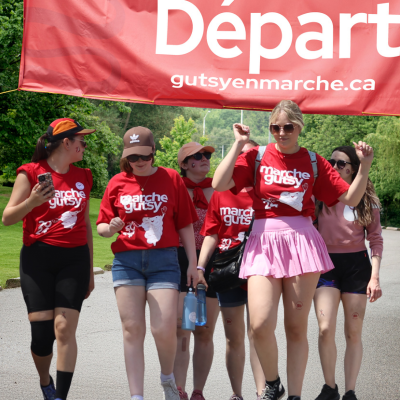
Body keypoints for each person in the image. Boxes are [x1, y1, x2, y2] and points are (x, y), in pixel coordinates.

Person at [212, 100, 374, 400]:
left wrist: (364, 166)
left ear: (299, 126)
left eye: (288, 126)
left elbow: (350, 199)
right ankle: (273, 382)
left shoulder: (313, 161)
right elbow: (219, 183)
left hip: (301, 241)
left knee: (295, 327)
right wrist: (238, 145)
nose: (281, 132)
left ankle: (296, 395)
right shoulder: (258, 156)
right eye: (275, 127)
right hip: (263, 240)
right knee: (259, 324)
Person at [96, 127, 198, 400]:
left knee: (163, 328)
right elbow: (102, 228)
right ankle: (136, 395)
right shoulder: (117, 182)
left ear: (153, 152)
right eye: (132, 157)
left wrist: (193, 264)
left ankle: (167, 379)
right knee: (132, 329)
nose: (139, 162)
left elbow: (185, 224)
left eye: (144, 156)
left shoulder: (171, 178)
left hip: (164, 259)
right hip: (126, 260)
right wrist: (111, 226)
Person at [2, 118, 96, 400]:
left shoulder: (84, 176)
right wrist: (32, 202)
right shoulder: (30, 173)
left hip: (75, 260)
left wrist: (90, 271)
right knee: (42, 338)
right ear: (66, 143)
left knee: (64, 328)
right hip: (37, 259)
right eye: (81, 140)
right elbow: (7, 218)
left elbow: (85, 225)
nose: (84, 145)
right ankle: (45, 381)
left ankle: (61, 397)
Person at [313, 146, 383, 400]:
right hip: (325, 266)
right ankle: (329, 387)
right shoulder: (318, 196)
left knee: (353, 331)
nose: (334, 166)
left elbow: (375, 239)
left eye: (341, 163)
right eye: (331, 162)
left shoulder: (367, 199)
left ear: (353, 169)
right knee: (324, 328)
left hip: (357, 266)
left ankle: (350, 391)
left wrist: (374, 277)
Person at [199, 140, 266, 400]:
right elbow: (212, 233)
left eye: (250, 154)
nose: (244, 159)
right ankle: (237, 394)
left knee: (259, 333)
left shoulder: (266, 190)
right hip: (228, 270)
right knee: (233, 337)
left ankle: (263, 392)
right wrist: (200, 266)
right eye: (240, 153)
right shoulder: (221, 191)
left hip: (260, 269)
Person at [174, 142, 220, 400]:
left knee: (204, 330)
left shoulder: (220, 187)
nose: (204, 159)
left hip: (213, 263)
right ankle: (178, 389)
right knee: (182, 329)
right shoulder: (175, 188)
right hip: (180, 262)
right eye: (197, 156)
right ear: (184, 164)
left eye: (207, 155)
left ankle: (198, 391)